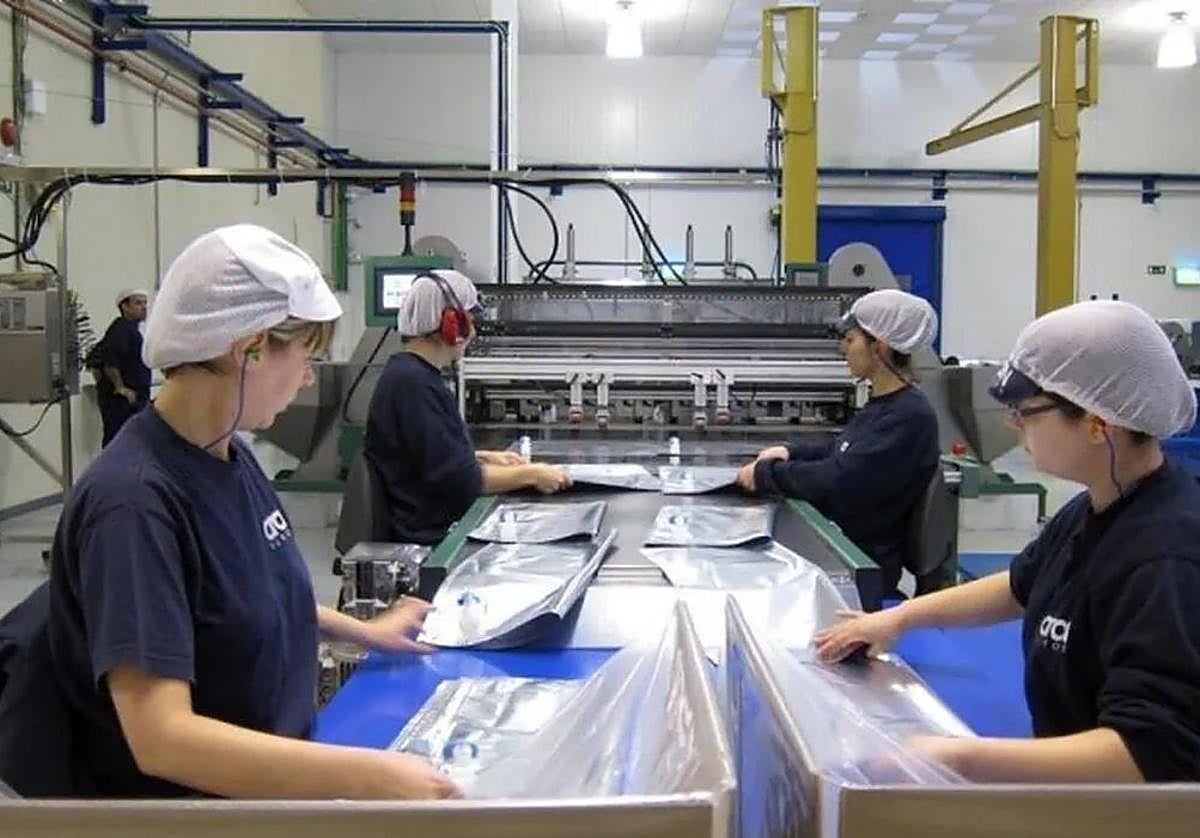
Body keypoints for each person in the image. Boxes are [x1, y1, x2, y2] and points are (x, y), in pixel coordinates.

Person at [34, 225, 456, 799]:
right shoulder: (134, 503)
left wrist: (367, 632)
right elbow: (162, 737)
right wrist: (371, 776)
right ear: (249, 349)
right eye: (305, 357)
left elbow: (245, 591)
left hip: (271, 793)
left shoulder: (229, 456)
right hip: (206, 818)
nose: (308, 378)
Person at [814, 300, 1200, 783]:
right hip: (1081, 797)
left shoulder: (1166, 557)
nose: (1012, 424)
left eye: (1026, 411)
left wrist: (958, 758)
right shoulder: (1095, 507)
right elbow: (1020, 585)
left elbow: (1151, 752)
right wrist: (897, 619)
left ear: (1100, 424)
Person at [736, 289, 941, 595]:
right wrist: (790, 451)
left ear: (879, 348)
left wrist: (766, 475)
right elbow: (842, 449)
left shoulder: (908, 415)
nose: (842, 348)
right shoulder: (885, 404)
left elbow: (838, 481)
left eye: (850, 340)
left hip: (857, 570)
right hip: (844, 549)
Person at [365, 271, 570, 545]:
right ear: (452, 324)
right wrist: (532, 473)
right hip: (431, 536)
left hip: (426, 520)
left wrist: (480, 456)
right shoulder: (415, 386)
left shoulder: (409, 374)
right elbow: (461, 481)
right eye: (470, 321)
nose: (472, 333)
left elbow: (425, 456)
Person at [95, 288, 152, 446]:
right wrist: (121, 388)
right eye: (138, 303)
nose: (144, 307)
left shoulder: (131, 330)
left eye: (145, 303)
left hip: (134, 401)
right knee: (119, 443)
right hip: (122, 404)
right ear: (125, 307)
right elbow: (110, 361)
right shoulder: (121, 329)